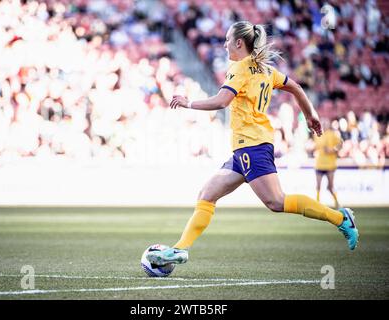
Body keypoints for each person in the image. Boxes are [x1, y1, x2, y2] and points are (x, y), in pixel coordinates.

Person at [146, 21, 359, 267]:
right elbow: (296, 87)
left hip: (252, 145)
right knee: (207, 194)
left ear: (239, 43)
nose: (224, 44)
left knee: (276, 202)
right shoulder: (265, 69)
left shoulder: (240, 68)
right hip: (244, 148)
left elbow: (223, 101)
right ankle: (180, 249)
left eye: (227, 39)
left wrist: (188, 103)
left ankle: (340, 218)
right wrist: (311, 115)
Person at [314, 119, 342, 208]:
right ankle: (317, 204)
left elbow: (341, 144)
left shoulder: (333, 134)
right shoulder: (317, 134)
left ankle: (337, 203)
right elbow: (316, 147)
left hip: (330, 164)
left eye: (326, 123)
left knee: (330, 186)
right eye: (323, 123)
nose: (324, 125)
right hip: (320, 163)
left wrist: (333, 149)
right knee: (318, 186)